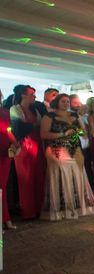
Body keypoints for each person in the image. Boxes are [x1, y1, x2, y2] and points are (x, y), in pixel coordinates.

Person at [40, 94, 94, 220]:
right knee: (61, 177)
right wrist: (63, 133)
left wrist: (78, 131)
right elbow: (43, 134)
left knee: (77, 176)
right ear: (56, 102)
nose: (66, 104)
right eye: (63, 101)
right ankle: (62, 210)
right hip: (57, 150)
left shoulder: (74, 115)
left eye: (67, 101)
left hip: (75, 150)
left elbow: (83, 132)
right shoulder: (49, 116)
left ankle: (78, 207)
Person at [10, 85, 46, 220]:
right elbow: (20, 128)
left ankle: (39, 208)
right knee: (26, 179)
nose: (34, 97)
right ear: (23, 95)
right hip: (24, 147)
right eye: (32, 94)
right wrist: (33, 126)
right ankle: (28, 211)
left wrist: (32, 126)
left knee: (39, 176)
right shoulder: (15, 109)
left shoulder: (35, 109)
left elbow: (40, 125)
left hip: (37, 145)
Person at [0, 89, 18, 229]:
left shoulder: (5, 112)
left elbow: (8, 130)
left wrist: (16, 143)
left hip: (4, 151)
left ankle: (5, 218)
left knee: (2, 187)